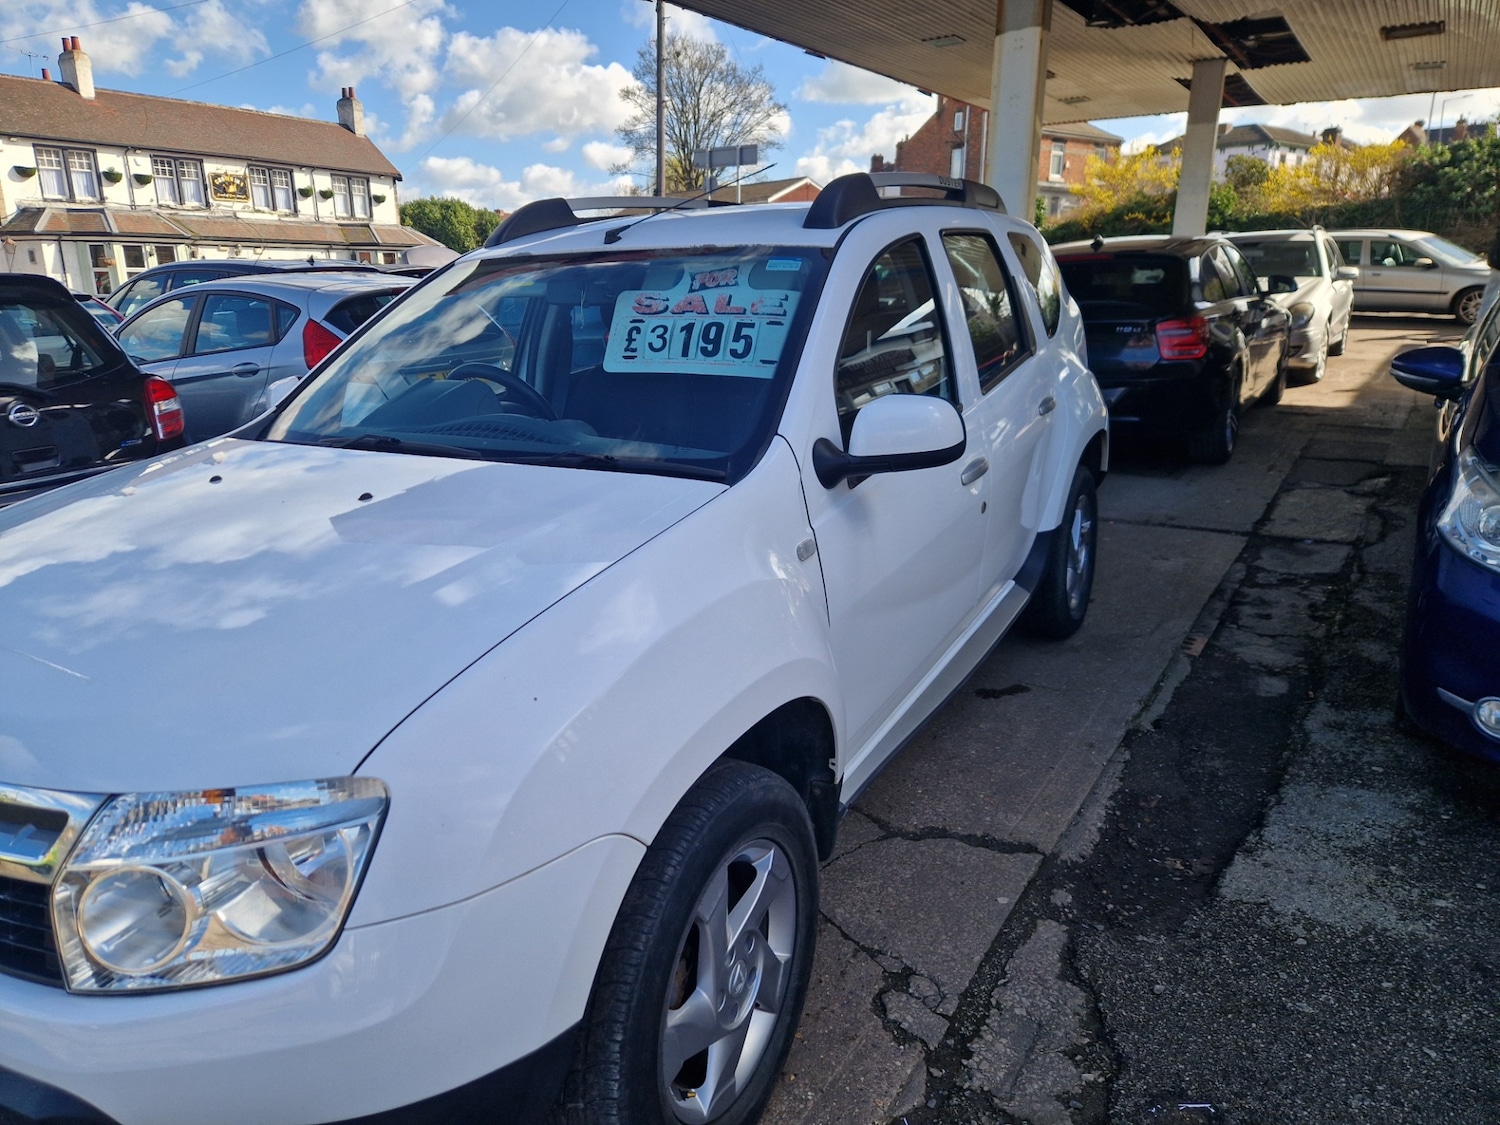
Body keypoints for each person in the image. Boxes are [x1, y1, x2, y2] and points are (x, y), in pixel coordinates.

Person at [1478, 228, 1500, 327]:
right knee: (1491, 296)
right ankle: (1483, 322)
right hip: (1497, 266)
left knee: (1490, 296)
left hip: (1495, 266)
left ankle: (1481, 322)